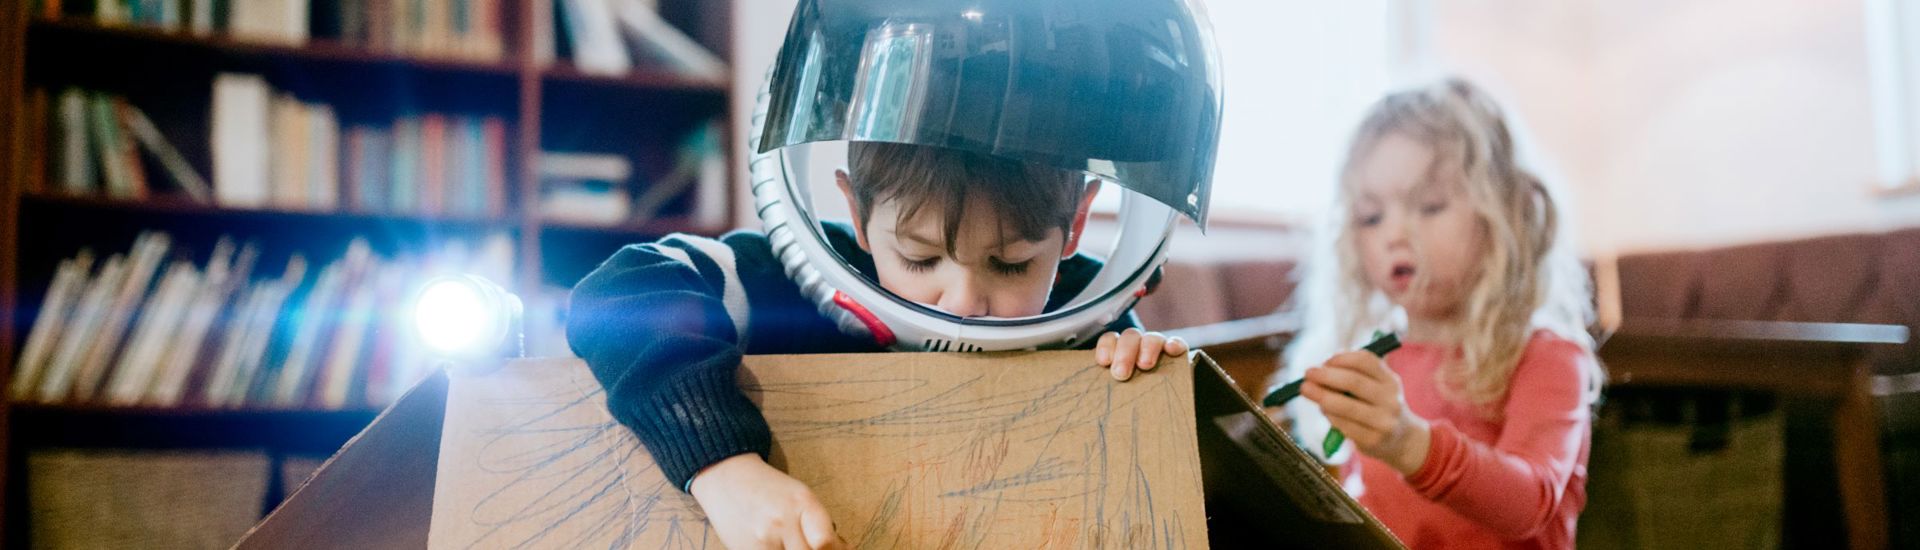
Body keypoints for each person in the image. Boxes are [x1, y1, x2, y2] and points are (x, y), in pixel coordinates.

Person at [568, 2, 1223, 548]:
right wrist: (722, 466)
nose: (965, 301)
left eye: (1012, 263)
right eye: (919, 256)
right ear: (856, 213)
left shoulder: (1086, 314)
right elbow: (618, 296)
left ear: (1075, 227)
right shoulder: (783, 285)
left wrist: (1134, 374)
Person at [1276, 78, 1602, 549]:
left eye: (1428, 206)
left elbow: (1531, 501)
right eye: (1371, 217)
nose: (1394, 234)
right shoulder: (1377, 356)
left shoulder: (1548, 358)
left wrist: (1410, 444)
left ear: (1504, 215)